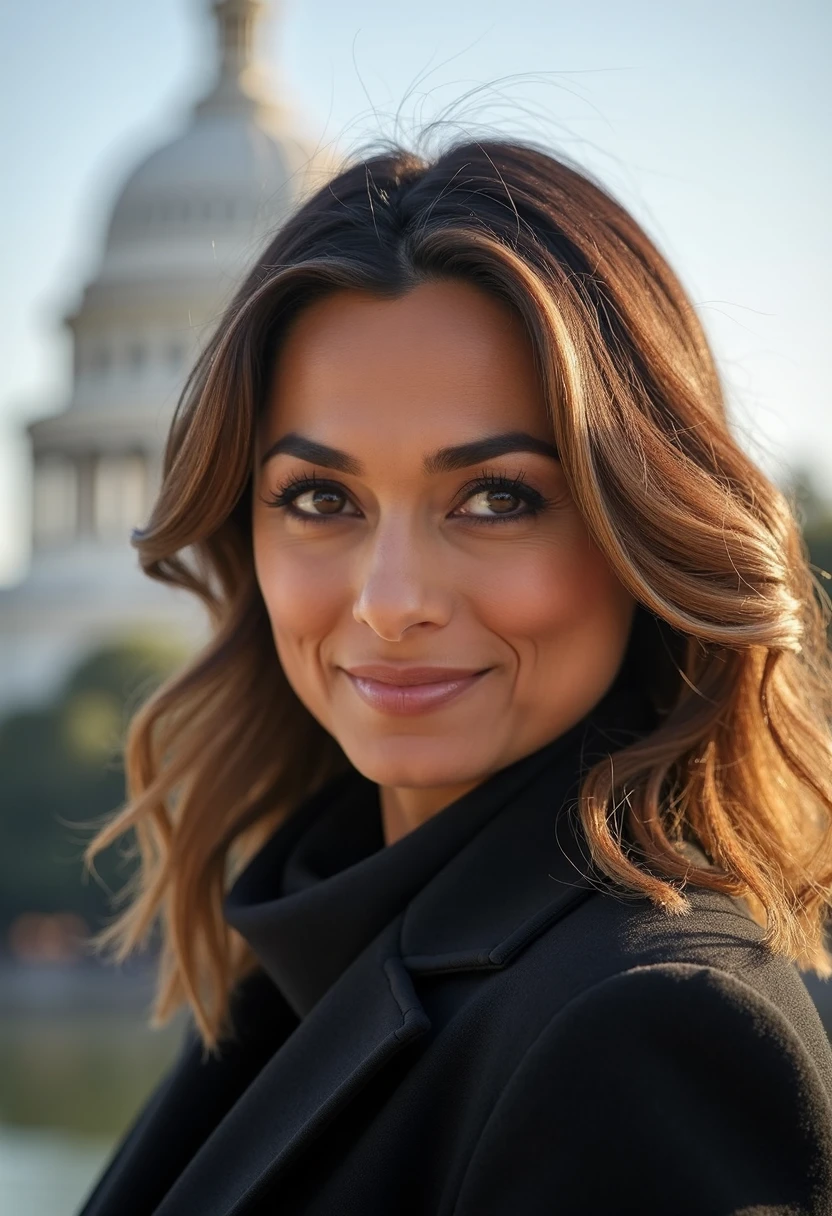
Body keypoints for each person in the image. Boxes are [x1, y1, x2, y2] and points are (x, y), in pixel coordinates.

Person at [77, 136, 832, 1216]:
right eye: (320, 498)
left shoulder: (649, 1029)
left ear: (643, 530)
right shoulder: (309, 952)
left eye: (496, 497)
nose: (390, 601)